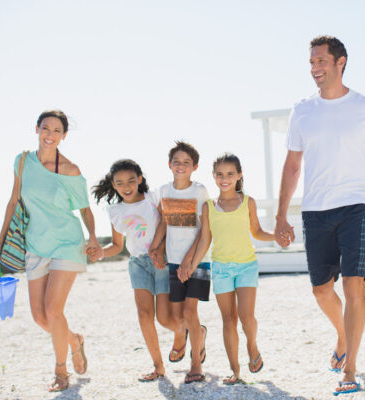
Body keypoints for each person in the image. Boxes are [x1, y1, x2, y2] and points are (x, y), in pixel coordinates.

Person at [274, 36, 365, 396]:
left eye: (321, 61)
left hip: (357, 207)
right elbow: (291, 166)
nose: (315, 68)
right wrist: (282, 214)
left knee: (353, 285)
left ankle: (350, 369)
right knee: (320, 290)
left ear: (340, 62)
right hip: (316, 209)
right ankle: (344, 334)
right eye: (311, 62)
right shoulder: (302, 110)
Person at [0, 110, 101, 392]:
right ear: (36, 129)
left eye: (56, 131)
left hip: (66, 244)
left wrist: (94, 238)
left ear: (64, 136)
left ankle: (61, 372)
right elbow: (13, 200)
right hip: (35, 244)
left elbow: (85, 208)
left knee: (53, 309)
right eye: (45, 128)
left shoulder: (70, 169)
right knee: (40, 317)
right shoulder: (23, 161)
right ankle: (74, 340)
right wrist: (0, 241)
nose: (50, 135)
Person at [189, 153, 274, 385]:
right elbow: (205, 240)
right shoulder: (208, 207)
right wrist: (191, 265)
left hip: (246, 266)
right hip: (221, 268)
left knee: (246, 318)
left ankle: (252, 346)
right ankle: (235, 371)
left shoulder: (248, 202)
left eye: (229, 174)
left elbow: (256, 232)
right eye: (219, 174)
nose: (224, 178)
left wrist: (276, 236)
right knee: (228, 320)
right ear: (214, 177)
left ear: (239, 175)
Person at [90, 159, 178, 382]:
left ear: (140, 179)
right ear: (113, 185)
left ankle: (184, 332)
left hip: (162, 260)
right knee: (144, 315)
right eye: (120, 183)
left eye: (131, 180)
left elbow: (166, 222)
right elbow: (117, 246)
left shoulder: (153, 198)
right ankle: (159, 367)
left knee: (164, 318)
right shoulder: (115, 211)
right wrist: (100, 253)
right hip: (138, 264)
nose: (126, 186)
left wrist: (158, 248)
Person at [148, 141, 210, 384]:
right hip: (173, 261)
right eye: (177, 162)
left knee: (189, 311)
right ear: (169, 165)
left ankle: (196, 364)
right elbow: (164, 221)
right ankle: (199, 334)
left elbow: (204, 231)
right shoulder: (164, 191)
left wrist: (189, 262)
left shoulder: (199, 191)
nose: (181, 166)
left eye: (186, 162)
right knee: (177, 318)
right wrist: (155, 247)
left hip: (198, 261)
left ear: (194, 166)